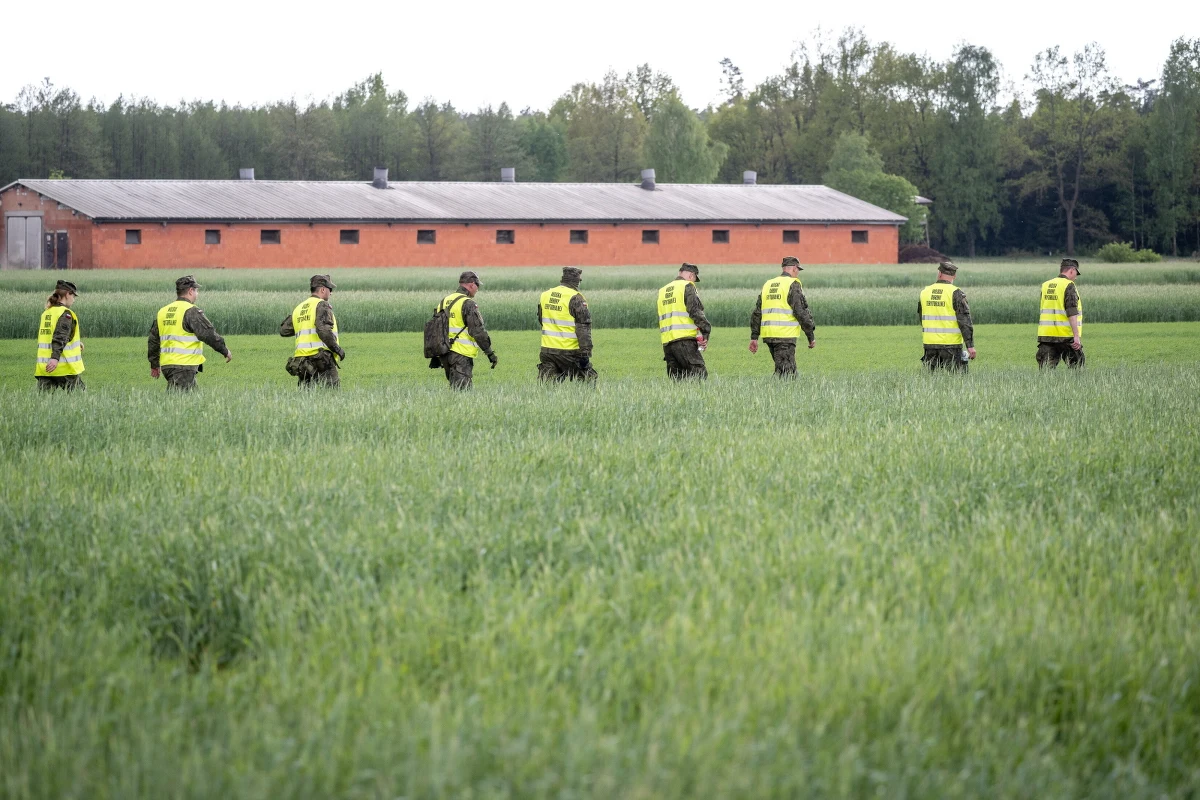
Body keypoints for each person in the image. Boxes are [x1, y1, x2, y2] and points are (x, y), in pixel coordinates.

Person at [147, 275, 232, 391]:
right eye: (196, 290)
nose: (197, 293)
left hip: (167, 366)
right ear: (191, 291)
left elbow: (153, 340)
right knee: (179, 403)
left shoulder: (163, 311)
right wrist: (224, 350)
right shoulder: (191, 311)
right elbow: (208, 334)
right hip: (183, 366)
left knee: (193, 402)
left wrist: (154, 364)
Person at [748, 256, 816, 376]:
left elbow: (757, 312)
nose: (798, 273)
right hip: (785, 336)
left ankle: (778, 393)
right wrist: (810, 335)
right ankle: (771, 393)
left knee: (785, 372)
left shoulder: (768, 284)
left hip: (769, 335)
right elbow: (801, 312)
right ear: (794, 268)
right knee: (787, 375)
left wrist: (754, 337)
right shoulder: (792, 284)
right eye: (798, 270)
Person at [280, 274, 346, 387]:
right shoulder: (322, 305)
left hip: (302, 361)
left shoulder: (299, 308)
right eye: (330, 289)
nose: (331, 292)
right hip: (321, 359)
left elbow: (284, 330)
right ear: (323, 289)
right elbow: (323, 330)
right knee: (332, 395)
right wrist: (337, 349)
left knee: (306, 397)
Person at [436, 271, 497, 390]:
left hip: (444, 353)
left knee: (455, 390)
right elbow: (478, 331)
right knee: (463, 393)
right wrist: (489, 353)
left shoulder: (444, 301)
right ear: (471, 284)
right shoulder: (468, 303)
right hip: (461, 354)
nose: (477, 289)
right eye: (477, 286)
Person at [537, 266, 596, 382]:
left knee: (547, 386)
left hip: (547, 351)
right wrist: (585, 354)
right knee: (590, 380)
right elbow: (583, 329)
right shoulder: (576, 298)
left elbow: (541, 320)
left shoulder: (545, 295)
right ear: (576, 281)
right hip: (569, 352)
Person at [918, 260, 975, 372]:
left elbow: (922, 318)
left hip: (929, 345)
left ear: (939, 274)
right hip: (951, 345)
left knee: (931, 381)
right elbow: (964, 321)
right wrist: (970, 346)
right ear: (954, 276)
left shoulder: (924, 292)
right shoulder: (956, 293)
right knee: (955, 381)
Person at [657, 263, 711, 380]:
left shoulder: (663, 291)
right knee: (700, 377)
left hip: (667, 344)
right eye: (694, 279)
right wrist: (706, 331)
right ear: (692, 275)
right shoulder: (687, 286)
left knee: (679, 383)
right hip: (684, 341)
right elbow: (695, 311)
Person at [34, 279, 86, 391]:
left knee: (43, 404)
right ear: (68, 294)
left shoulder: (47, 313)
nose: (73, 300)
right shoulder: (65, 313)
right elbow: (60, 336)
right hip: (63, 367)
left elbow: (51, 336)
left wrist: (76, 344)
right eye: (73, 296)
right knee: (81, 399)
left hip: (44, 368)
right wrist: (55, 358)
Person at [1037, 258, 1085, 369]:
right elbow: (1071, 311)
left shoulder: (1045, 285)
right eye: (1076, 274)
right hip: (1066, 336)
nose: (1076, 277)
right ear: (1072, 271)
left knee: (1045, 372)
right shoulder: (1069, 285)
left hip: (1046, 335)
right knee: (1077, 370)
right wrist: (1076, 336)